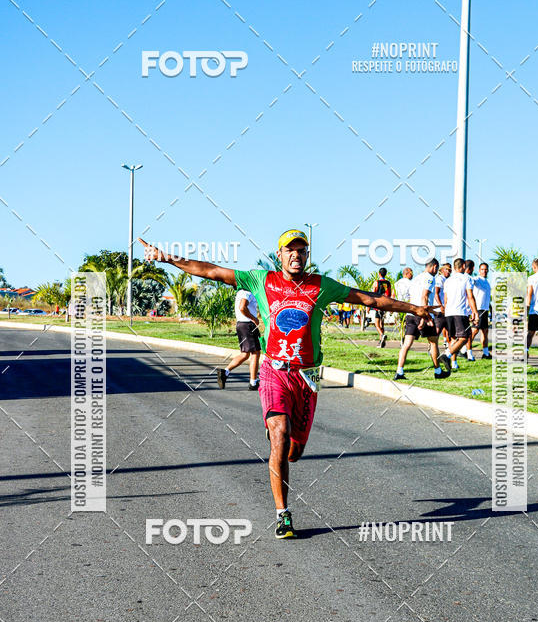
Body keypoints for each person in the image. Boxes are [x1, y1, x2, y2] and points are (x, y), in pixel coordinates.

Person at [139, 230, 433, 539]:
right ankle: (283, 514)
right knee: (279, 436)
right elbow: (211, 270)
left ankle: (283, 431)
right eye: (289, 250)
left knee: (294, 452)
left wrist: (414, 309)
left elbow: (368, 298)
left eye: (301, 250)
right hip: (274, 370)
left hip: (308, 375)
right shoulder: (261, 281)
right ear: (279, 255)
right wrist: (167, 257)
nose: (296, 255)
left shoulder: (321, 285)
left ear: (307, 255)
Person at [394, 259, 450, 380]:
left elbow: (412, 297)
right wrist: (424, 318)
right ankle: (438, 371)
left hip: (411, 313)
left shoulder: (416, 278)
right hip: (421, 314)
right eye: (437, 268)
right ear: (434, 267)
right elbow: (424, 297)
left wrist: (434, 311)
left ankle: (399, 371)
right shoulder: (430, 278)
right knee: (433, 342)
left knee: (406, 344)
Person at [217, 288, 261, 390]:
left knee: (245, 354)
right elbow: (242, 307)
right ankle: (253, 383)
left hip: (241, 324)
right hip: (248, 325)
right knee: (255, 353)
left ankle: (225, 372)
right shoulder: (247, 293)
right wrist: (253, 318)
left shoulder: (240, 292)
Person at [442, 258, 479, 370]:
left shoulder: (448, 280)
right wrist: (475, 312)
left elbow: (446, 299)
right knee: (464, 337)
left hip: (449, 312)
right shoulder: (466, 278)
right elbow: (470, 296)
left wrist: (446, 312)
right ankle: (447, 354)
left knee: (453, 339)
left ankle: (453, 363)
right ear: (463, 266)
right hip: (460, 312)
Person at [470, 262, 492, 359]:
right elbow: (469, 281)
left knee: (485, 331)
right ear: (479, 271)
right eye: (482, 269)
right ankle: (465, 350)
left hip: (485, 310)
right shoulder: (476, 279)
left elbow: (487, 298)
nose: (484, 271)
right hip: (478, 309)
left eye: (486, 269)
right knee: (474, 331)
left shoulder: (487, 282)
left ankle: (486, 353)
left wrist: (491, 309)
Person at [371, 267, 392, 347]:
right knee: (382, 324)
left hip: (378, 304)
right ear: (385, 274)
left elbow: (373, 293)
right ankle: (381, 342)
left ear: (379, 273)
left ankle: (382, 335)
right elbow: (389, 294)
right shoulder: (388, 283)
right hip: (385, 304)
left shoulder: (377, 282)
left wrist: (369, 306)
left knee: (376, 324)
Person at [433, 262, 451, 347]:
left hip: (448, 309)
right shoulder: (440, 279)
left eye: (450, 270)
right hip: (439, 310)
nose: (448, 271)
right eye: (446, 269)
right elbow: (436, 293)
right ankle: (432, 346)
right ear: (442, 270)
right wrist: (441, 306)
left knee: (449, 329)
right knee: (437, 330)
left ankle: (448, 347)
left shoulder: (448, 280)